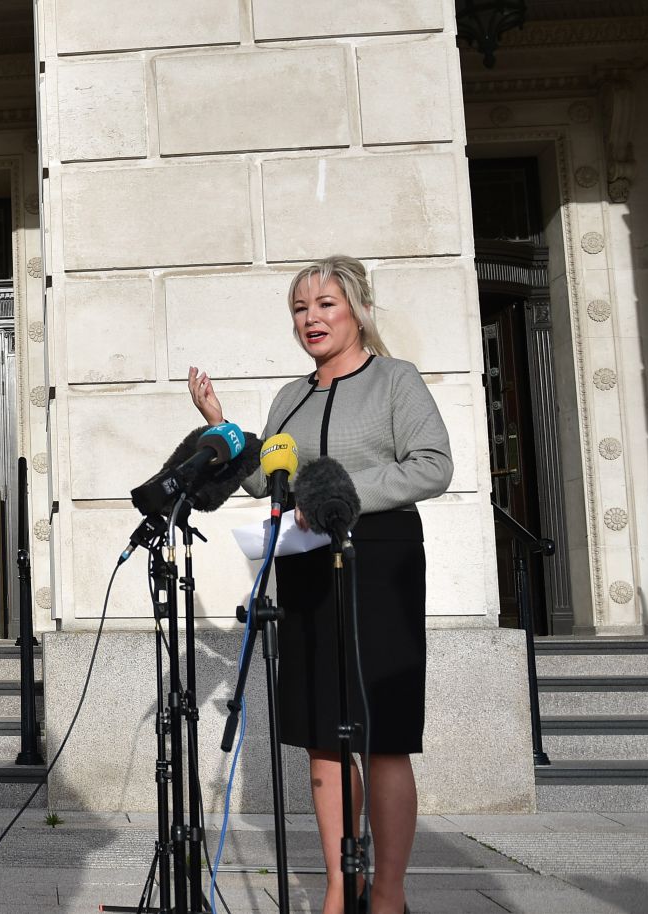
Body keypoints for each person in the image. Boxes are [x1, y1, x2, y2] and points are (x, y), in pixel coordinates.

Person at [188, 254, 451, 914]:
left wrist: (336, 494)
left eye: (325, 304)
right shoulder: (290, 396)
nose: (311, 319)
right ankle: (341, 887)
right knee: (321, 739)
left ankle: (388, 895)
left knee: (383, 739)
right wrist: (222, 426)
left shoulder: (396, 381)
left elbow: (432, 467)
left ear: (358, 309)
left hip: (380, 565)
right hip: (306, 569)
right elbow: (266, 483)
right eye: (300, 309)